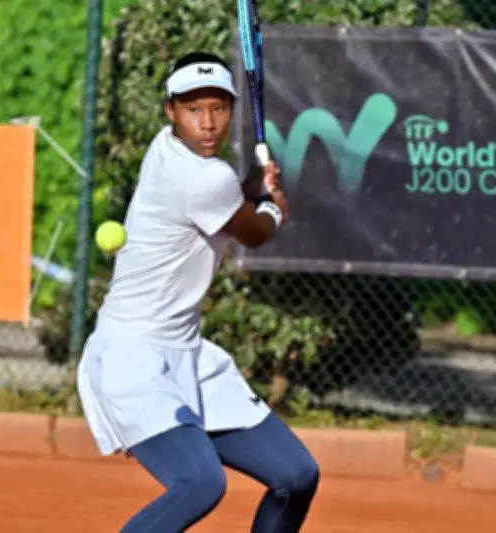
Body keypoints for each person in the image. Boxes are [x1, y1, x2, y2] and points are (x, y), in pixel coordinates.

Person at [76, 51, 320, 532]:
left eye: (218, 108)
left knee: (296, 474)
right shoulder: (202, 177)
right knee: (200, 482)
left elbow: (226, 203)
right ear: (170, 110)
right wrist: (271, 207)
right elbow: (252, 232)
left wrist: (251, 191)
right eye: (192, 109)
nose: (207, 123)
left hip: (186, 355)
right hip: (132, 358)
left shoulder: (168, 149)